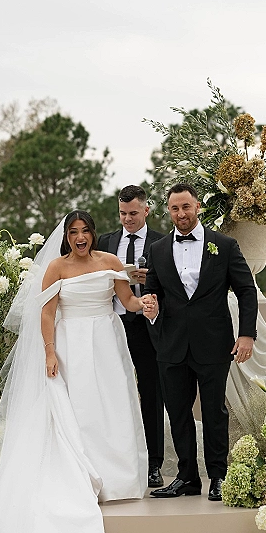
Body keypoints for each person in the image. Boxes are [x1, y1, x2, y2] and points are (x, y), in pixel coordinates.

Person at [0, 211, 155, 533]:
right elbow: (46, 314)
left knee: (115, 410)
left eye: (85, 231)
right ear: (66, 237)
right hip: (70, 344)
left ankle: (120, 479)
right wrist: (50, 351)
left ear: (92, 234)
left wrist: (145, 303)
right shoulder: (56, 267)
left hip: (106, 343)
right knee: (79, 412)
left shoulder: (110, 263)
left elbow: (127, 302)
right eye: (74, 233)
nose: (81, 238)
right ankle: (83, 475)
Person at [143, 183, 258, 502]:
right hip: (171, 345)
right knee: (177, 412)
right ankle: (187, 478)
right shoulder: (158, 249)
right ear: (169, 211)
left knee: (214, 412)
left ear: (198, 208)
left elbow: (246, 291)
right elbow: (152, 292)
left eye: (186, 207)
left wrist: (246, 334)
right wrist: (150, 308)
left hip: (214, 343)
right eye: (175, 208)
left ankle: (218, 477)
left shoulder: (225, 245)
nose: (181, 214)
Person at [98, 185, 166, 488]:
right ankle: (116, 461)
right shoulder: (105, 242)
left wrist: (149, 277)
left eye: (133, 213)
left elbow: (172, 285)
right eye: (123, 213)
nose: (127, 219)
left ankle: (153, 464)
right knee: (112, 392)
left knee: (151, 394)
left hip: (147, 326)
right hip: (112, 324)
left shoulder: (162, 242)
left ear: (146, 211)